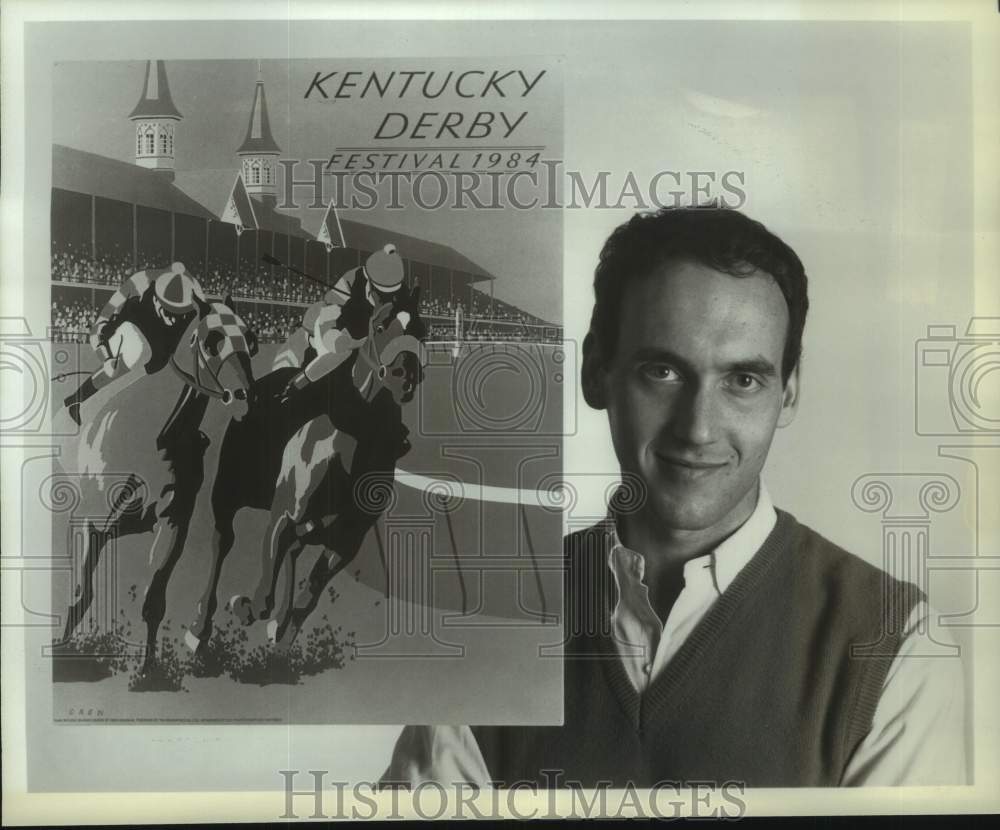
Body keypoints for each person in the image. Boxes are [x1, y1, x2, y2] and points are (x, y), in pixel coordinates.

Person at [383, 206, 966, 788]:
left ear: (788, 394)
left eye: (743, 380)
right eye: (662, 371)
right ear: (595, 371)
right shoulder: (490, 623)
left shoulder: (898, 645)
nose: (698, 429)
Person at [62, 261, 205, 426]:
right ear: (156, 300)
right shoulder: (138, 283)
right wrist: (107, 359)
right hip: (130, 333)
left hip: (159, 354)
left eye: (179, 314)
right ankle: (77, 399)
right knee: (138, 350)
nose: (174, 319)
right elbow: (98, 328)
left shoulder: (194, 294)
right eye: (169, 312)